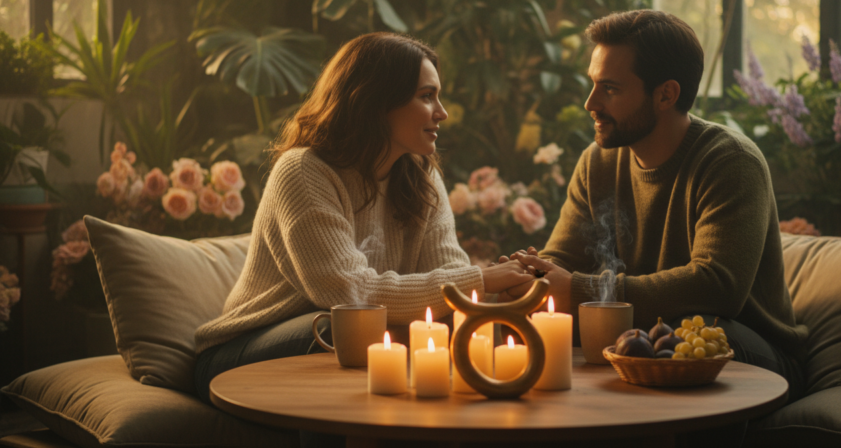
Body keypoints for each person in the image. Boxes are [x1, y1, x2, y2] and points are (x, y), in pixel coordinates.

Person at [192, 32, 536, 405]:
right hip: (242, 351)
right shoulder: (304, 171)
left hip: (359, 335)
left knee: (447, 331)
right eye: (426, 96)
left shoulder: (422, 177)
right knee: (348, 331)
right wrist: (480, 279)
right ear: (376, 101)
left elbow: (448, 277)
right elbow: (350, 295)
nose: (442, 112)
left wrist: (501, 287)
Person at [509, 10, 808, 403]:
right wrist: (530, 277)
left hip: (743, 349)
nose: (590, 103)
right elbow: (563, 257)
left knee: (690, 327)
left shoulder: (731, 162)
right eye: (593, 85)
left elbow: (718, 286)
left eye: (610, 89)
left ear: (666, 94)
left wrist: (582, 289)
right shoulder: (598, 162)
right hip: (641, 340)